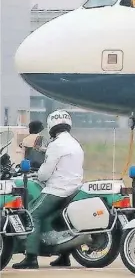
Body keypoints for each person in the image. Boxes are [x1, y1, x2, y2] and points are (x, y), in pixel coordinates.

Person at [13, 110, 84, 270]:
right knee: (58, 220)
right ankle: (64, 256)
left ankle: (31, 257)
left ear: (52, 125)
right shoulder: (75, 143)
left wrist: (38, 174)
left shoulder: (56, 145)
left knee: (32, 214)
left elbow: (45, 173)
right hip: (74, 188)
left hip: (58, 189)